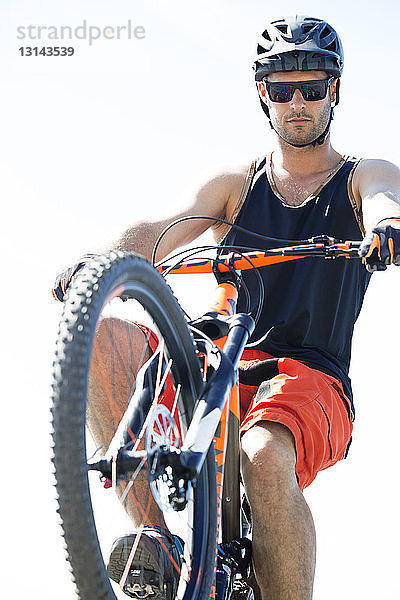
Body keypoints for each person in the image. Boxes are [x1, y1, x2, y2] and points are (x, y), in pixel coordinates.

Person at [53, 15, 400, 600]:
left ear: (333, 91)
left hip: (308, 377)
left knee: (262, 456)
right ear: (263, 93)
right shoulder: (236, 186)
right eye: (281, 88)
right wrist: (102, 264)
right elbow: (160, 231)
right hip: (216, 361)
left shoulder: (358, 176)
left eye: (311, 88)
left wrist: (387, 226)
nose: (297, 103)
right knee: (108, 335)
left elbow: (384, 197)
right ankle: (156, 545)